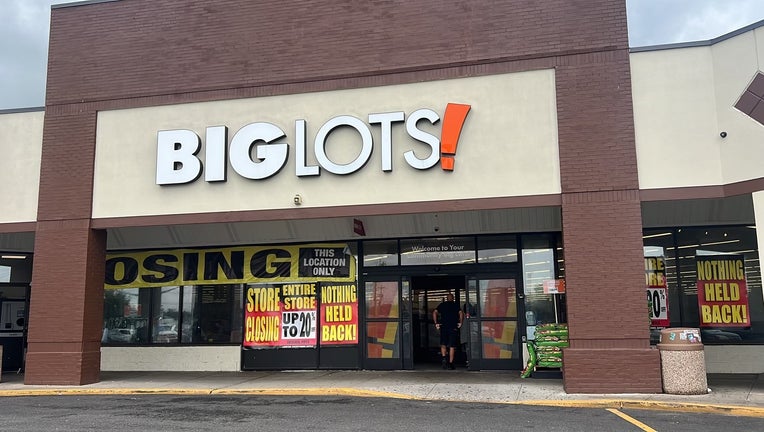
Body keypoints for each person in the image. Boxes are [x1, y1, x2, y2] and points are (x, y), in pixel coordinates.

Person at [433, 293, 464, 370]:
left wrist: (436, 323)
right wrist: (460, 322)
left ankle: (444, 359)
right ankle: (450, 363)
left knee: (443, 343)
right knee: (452, 346)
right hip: (453, 327)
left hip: (444, 326)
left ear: (447, 298)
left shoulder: (442, 305)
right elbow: (461, 313)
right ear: (453, 298)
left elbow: (434, 312)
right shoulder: (455, 305)